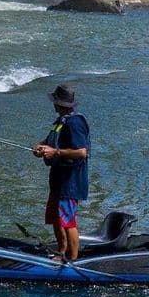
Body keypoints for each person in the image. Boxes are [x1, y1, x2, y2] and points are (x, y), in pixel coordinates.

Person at [32, 84, 89, 262]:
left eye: (55, 101)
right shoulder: (60, 122)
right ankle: (62, 251)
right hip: (58, 179)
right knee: (56, 217)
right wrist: (40, 147)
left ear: (60, 103)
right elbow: (50, 142)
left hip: (70, 182)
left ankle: (73, 258)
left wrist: (55, 152)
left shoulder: (75, 122)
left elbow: (81, 152)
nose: (53, 105)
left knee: (67, 220)